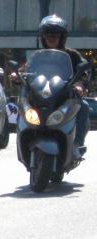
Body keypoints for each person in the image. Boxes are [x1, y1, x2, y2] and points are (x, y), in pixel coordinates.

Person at [38, 15, 90, 151]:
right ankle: (24, 137)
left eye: (56, 34)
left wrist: (80, 85)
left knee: (83, 106)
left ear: (62, 37)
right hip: (41, 96)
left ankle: (77, 144)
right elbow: (26, 70)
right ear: (43, 37)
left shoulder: (72, 55)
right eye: (48, 34)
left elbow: (84, 73)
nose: (52, 37)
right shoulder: (38, 56)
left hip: (65, 96)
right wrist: (17, 75)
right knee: (23, 104)